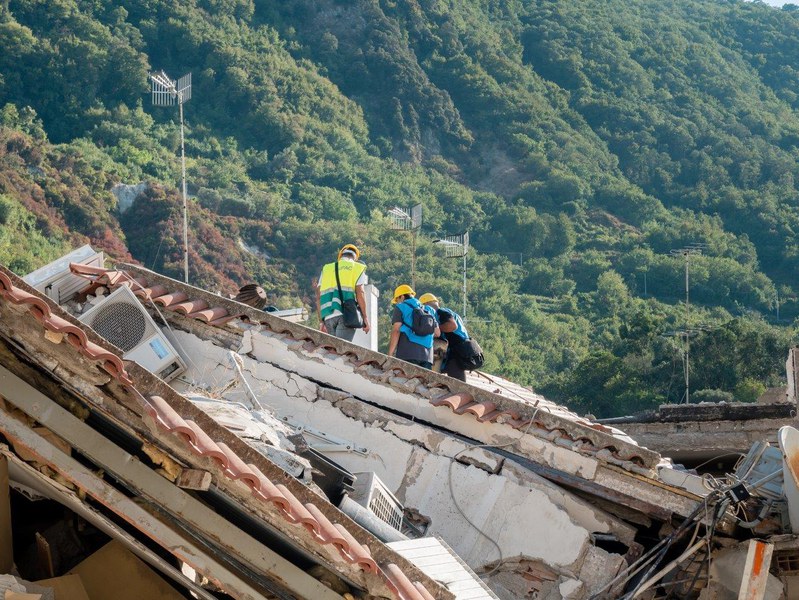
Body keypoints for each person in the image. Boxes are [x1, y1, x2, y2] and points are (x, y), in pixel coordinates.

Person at [316, 244, 370, 341]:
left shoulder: (327, 269)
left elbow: (318, 297)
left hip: (328, 316)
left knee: (332, 351)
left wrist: (321, 321)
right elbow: (360, 293)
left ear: (341, 255)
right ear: (355, 257)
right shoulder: (357, 268)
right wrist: (365, 317)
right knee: (342, 351)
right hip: (346, 315)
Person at [419, 293, 470, 382]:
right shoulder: (451, 313)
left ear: (426, 304)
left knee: (458, 385)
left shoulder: (441, 312)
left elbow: (452, 326)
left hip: (455, 353)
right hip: (461, 351)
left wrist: (435, 329)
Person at [387, 285, 439, 369]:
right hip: (427, 356)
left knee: (405, 380)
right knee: (423, 381)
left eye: (397, 299)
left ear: (402, 297)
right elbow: (437, 333)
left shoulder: (401, 307)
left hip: (407, 353)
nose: (397, 302)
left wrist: (390, 354)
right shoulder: (429, 310)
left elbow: (396, 330)